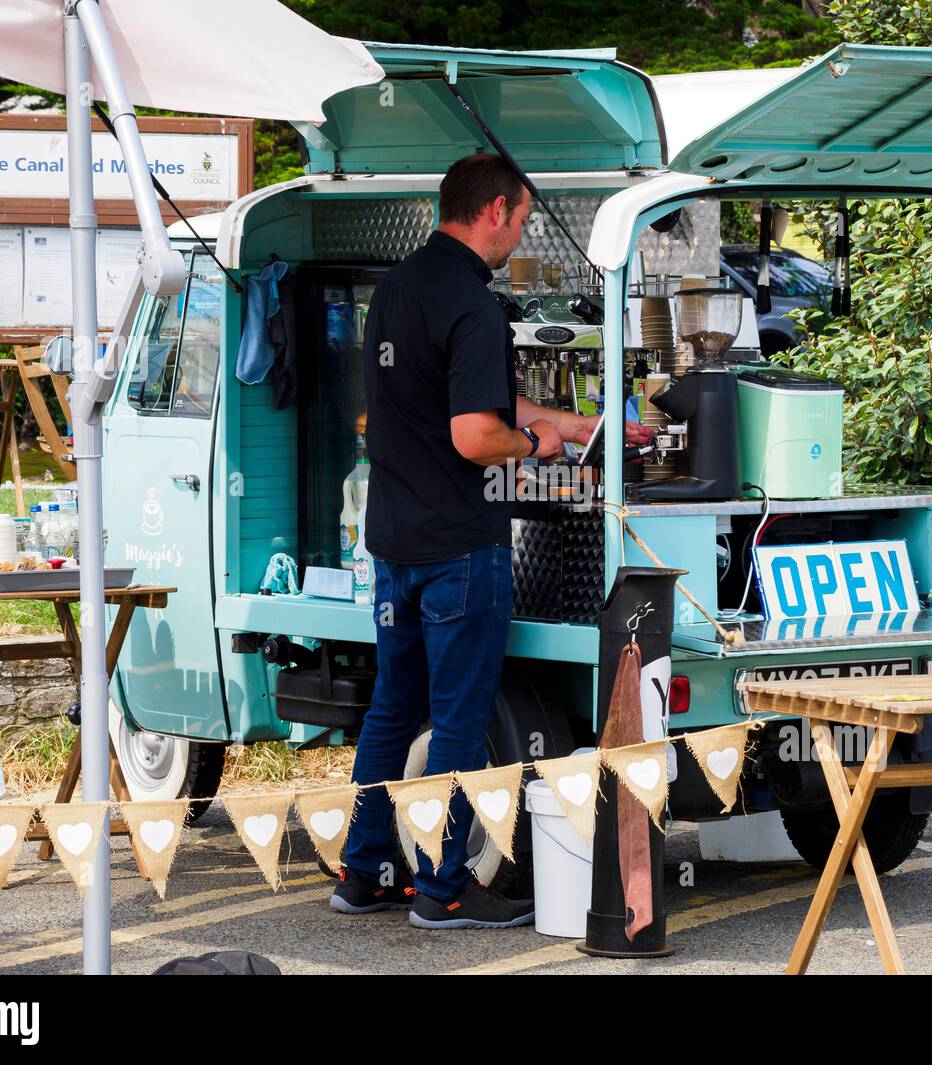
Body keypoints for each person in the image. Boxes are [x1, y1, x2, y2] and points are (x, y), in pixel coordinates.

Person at [333, 152, 650, 928]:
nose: (521, 234)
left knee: (391, 710)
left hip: (395, 540)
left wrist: (576, 424)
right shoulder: (474, 304)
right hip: (458, 548)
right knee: (460, 718)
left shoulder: (400, 288)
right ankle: (442, 889)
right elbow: (477, 432)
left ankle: (364, 870)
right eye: (524, 219)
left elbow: (475, 393)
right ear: (496, 210)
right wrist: (540, 449)